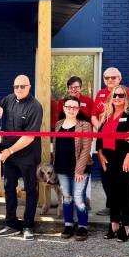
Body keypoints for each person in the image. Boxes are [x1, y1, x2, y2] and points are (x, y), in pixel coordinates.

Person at [0, 75, 43, 241]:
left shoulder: (35, 106)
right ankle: (11, 225)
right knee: (9, 188)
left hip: (27, 155)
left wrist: (9, 151)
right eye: (16, 87)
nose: (19, 89)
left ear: (29, 86)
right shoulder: (9, 98)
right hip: (10, 155)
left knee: (30, 190)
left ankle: (28, 226)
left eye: (22, 86)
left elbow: (29, 137)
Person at [91, 66, 129, 216]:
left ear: (120, 78)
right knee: (107, 179)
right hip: (105, 145)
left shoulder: (128, 92)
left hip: (123, 148)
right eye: (107, 78)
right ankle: (111, 206)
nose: (110, 80)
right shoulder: (100, 94)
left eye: (113, 77)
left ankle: (124, 219)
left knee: (123, 184)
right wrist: (103, 129)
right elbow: (94, 115)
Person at [97, 86, 129, 242]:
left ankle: (126, 226)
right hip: (107, 158)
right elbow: (99, 137)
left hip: (124, 158)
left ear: (126, 97)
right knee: (111, 192)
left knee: (124, 193)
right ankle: (114, 224)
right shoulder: (106, 115)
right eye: (114, 95)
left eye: (120, 95)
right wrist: (100, 155)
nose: (117, 98)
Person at [53, 96, 92, 241]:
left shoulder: (85, 125)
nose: (71, 110)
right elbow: (56, 147)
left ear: (78, 109)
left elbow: (86, 149)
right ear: (64, 108)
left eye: (74, 107)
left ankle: (82, 226)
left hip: (79, 169)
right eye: (68, 107)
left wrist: (79, 170)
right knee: (67, 197)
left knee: (78, 198)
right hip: (62, 167)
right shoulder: (58, 124)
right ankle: (68, 224)